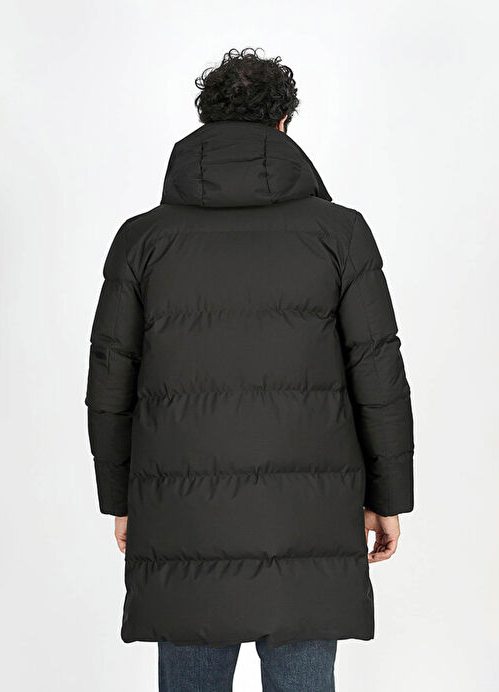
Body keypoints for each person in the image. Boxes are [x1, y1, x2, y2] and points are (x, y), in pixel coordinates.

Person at [86, 47, 414, 692]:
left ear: (206, 122)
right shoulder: (340, 234)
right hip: (309, 521)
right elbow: (378, 374)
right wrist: (387, 496)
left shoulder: (142, 239)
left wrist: (121, 500)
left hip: (183, 520)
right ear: (283, 123)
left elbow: (110, 385)